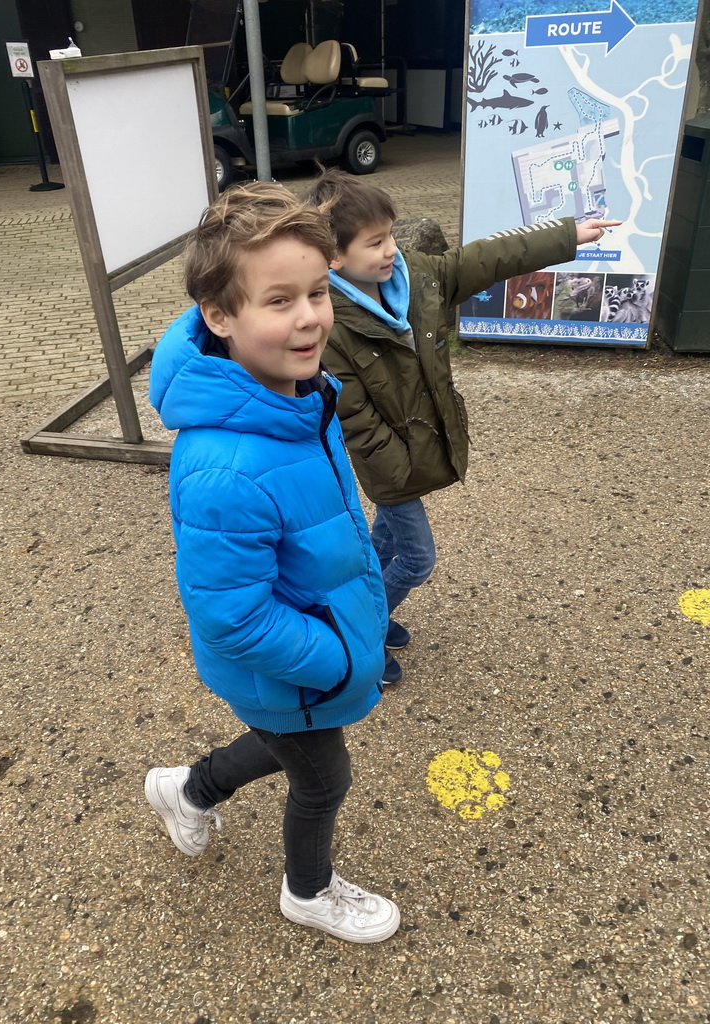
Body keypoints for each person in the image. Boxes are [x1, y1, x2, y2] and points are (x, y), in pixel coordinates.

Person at [145, 182, 400, 944]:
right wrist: (338, 661)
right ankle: (308, 891)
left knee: (289, 745)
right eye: (280, 300)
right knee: (324, 778)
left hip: (299, 664)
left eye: (317, 292)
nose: (310, 317)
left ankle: (187, 791)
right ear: (219, 317)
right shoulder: (226, 466)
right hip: (293, 665)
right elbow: (231, 614)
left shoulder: (293, 393)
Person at [302, 168, 621, 684]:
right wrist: (401, 469)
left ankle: (355, 610)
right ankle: (362, 632)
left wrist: (566, 235)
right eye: (376, 242)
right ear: (334, 257)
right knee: (418, 560)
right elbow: (353, 418)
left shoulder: (416, 276)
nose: (390, 250)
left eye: (390, 235)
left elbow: (486, 259)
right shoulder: (330, 321)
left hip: (413, 454)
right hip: (391, 467)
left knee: (381, 545)